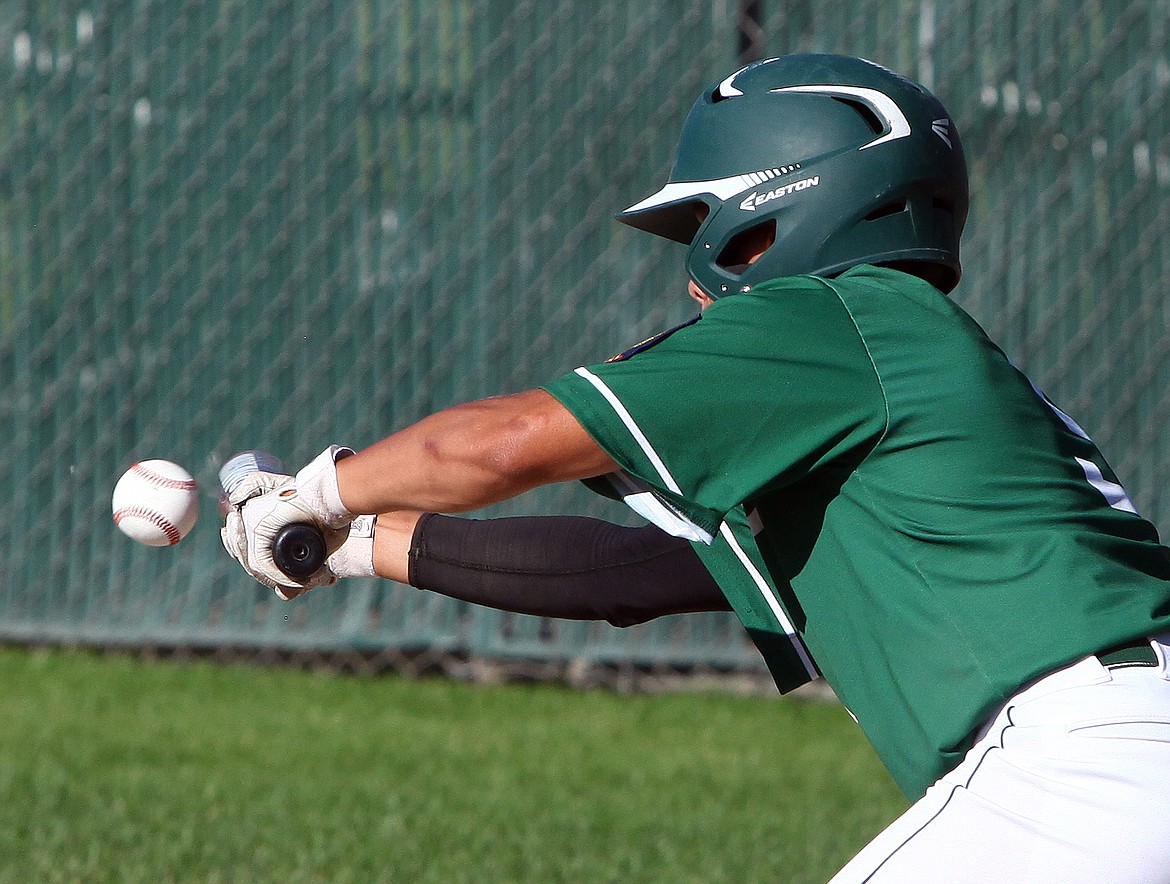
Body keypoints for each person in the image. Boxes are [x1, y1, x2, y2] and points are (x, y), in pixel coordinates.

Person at [222, 54, 1170, 882]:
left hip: (1090, 757)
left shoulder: (840, 319)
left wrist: (312, 491)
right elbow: (628, 575)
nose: (696, 271)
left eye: (712, 223)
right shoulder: (884, 381)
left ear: (799, 201)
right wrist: (354, 546)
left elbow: (500, 445)